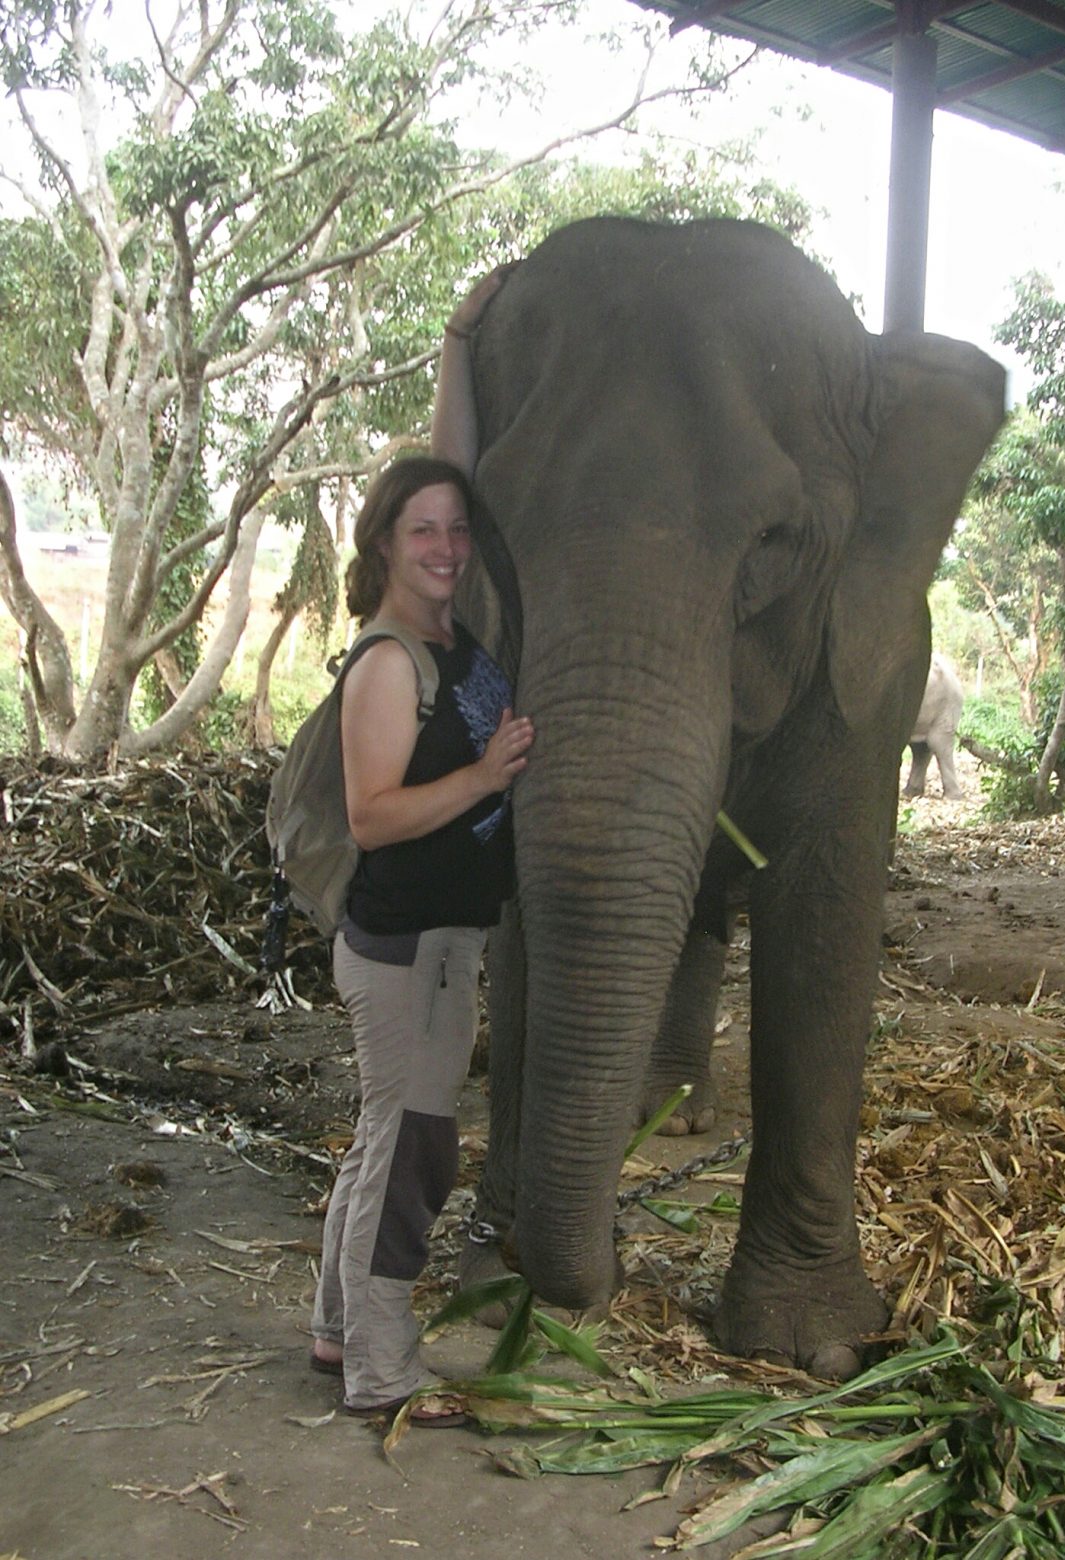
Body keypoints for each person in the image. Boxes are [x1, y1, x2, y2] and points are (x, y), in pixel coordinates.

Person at [309, 271, 532, 1422]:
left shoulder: (454, 632)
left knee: (382, 1137)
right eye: (422, 529)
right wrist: (487, 776)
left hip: (434, 942)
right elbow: (374, 817)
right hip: (408, 951)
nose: (445, 543)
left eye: (455, 528)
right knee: (415, 1157)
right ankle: (385, 1371)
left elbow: (456, 462)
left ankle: (336, 1331)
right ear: (386, 545)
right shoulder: (389, 660)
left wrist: (457, 341)